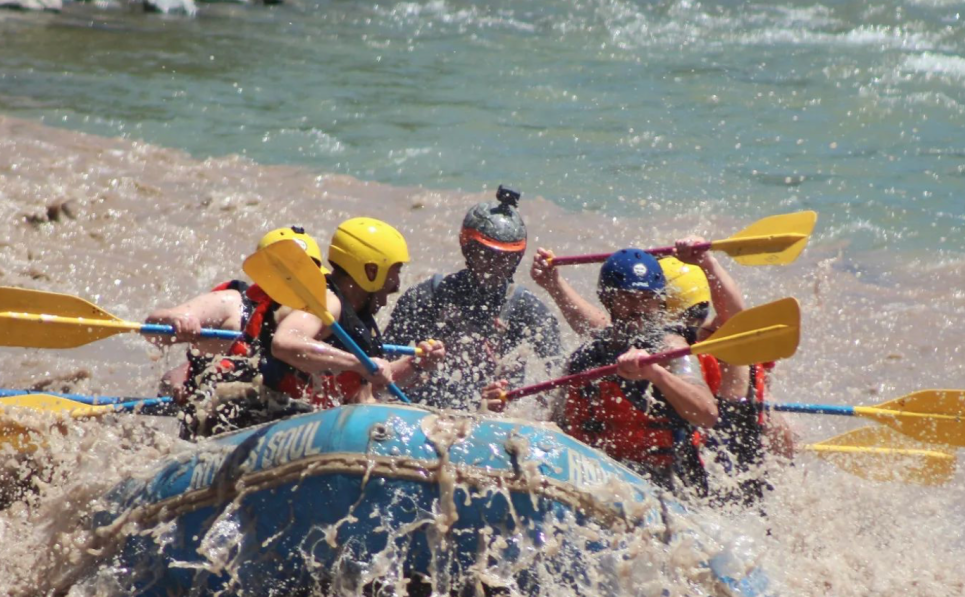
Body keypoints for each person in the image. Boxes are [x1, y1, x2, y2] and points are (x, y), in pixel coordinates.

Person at [486, 249, 720, 496]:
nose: (638, 307)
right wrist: (503, 414)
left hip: (667, 485)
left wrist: (656, 374)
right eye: (627, 298)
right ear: (608, 300)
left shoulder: (671, 350)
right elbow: (552, 426)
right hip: (599, 480)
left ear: (659, 301)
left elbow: (708, 414)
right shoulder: (587, 358)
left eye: (646, 298)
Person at [383, 186, 560, 410]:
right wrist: (415, 365)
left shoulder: (527, 311)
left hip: (495, 419)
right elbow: (379, 368)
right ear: (467, 248)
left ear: (517, 258)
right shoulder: (426, 298)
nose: (494, 267)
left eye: (505, 259)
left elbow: (555, 384)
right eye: (486, 255)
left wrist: (513, 398)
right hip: (423, 412)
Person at [144, 225, 327, 438]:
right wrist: (176, 320)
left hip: (286, 430)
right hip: (218, 428)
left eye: (308, 274)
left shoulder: (317, 318)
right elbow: (152, 328)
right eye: (295, 274)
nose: (303, 284)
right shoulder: (232, 305)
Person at [263, 217, 444, 406]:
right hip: (281, 415)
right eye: (395, 271)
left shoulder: (359, 315)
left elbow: (370, 384)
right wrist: (358, 363)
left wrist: (416, 364)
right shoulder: (327, 301)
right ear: (371, 271)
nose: (397, 284)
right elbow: (284, 342)